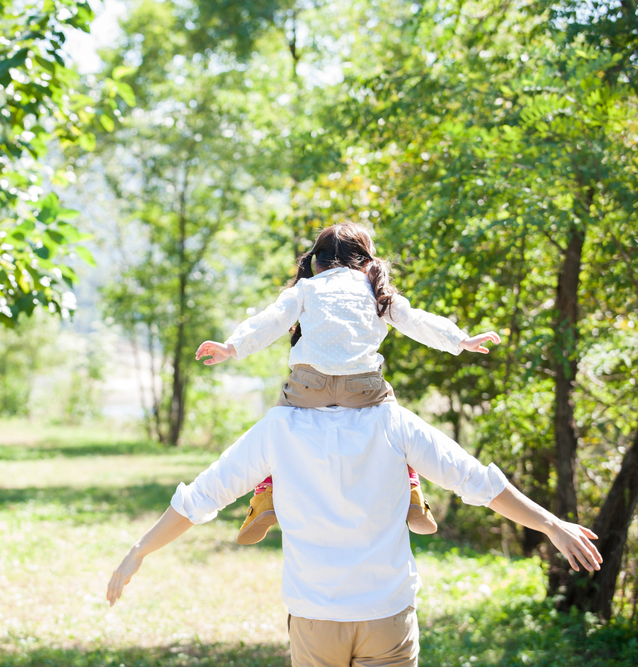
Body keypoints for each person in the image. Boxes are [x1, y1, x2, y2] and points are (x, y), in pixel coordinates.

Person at [106, 403, 602, 667]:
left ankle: (266, 497)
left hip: (315, 614)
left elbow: (201, 497)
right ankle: (412, 495)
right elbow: (477, 481)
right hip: (386, 612)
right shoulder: (393, 421)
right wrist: (550, 524)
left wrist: (139, 550)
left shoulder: (277, 427)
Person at [195, 222, 500, 543]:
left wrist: (232, 347)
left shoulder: (306, 289)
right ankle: (411, 488)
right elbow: (417, 320)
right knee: (397, 424)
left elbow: (271, 319)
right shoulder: (376, 291)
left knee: (278, 425)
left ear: (316, 263)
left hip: (308, 388)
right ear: (368, 261)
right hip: (363, 389)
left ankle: (265, 494)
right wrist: (460, 340)